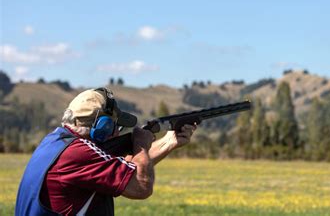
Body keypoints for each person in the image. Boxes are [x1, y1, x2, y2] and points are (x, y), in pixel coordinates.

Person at [16, 87, 196, 216]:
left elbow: (127, 169)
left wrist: (168, 142)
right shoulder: (78, 153)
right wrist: (140, 144)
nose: (117, 132)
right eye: (114, 126)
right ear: (103, 126)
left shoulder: (55, 142)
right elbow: (141, 186)